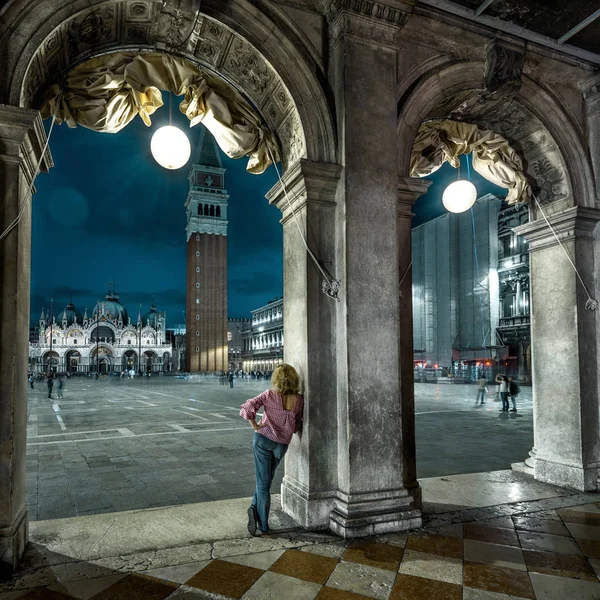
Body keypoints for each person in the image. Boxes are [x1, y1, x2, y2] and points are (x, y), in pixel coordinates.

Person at [239, 363, 304, 536]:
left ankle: (264, 526)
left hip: (264, 440)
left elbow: (248, 407)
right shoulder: (300, 399)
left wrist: (255, 425)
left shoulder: (269, 395)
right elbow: (297, 424)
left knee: (263, 483)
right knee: (266, 481)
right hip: (282, 445)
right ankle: (254, 508)